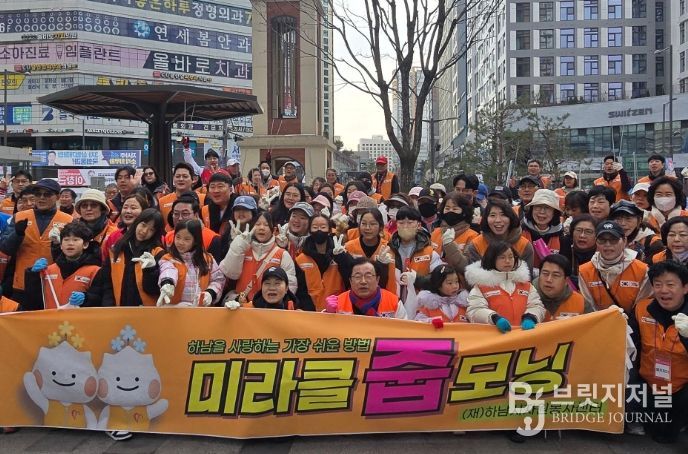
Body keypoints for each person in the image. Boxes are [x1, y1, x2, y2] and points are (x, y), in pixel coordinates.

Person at [628, 260, 688, 444]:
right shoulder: (641, 309)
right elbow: (628, 345)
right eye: (658, 284)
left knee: (669, 435)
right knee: (657, 431)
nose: (663, 290)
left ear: (685, 288)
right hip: (649, 384)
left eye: (670, 284)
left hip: (681, 388)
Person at [0, 179, 72, 304]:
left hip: (54, 284)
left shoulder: (68, 220)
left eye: (47, 194)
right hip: (22, 284)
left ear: (57, 197)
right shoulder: (20, 217)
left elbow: (73, 255)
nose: (42, 198)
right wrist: (17, 234)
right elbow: (5, 249)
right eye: (38, 194)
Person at [465, 241, 545, 332]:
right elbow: (474, 310)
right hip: (495, 337)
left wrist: (531, 317)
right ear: (492, 259)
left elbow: (537, 306)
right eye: (502, 257)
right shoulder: (481, 286)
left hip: (524, 336)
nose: (507, 261)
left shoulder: (525, 285)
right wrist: (494, 318)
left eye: (511, 257)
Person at [23, 222, 103, 310]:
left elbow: (100, 299)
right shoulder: (48, 270)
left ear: (85, 244)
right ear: (61, 245)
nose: (70, 243)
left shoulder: (95, 271)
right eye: (66, 240)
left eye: (75, 240)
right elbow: (33, 300)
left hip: (80, 318)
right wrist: (33, 275)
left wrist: (87, 298)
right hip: (50, 318)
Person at [220, 211, 297, 304]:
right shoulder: (243, 249)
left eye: (266, 225)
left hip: (268, 307)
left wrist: (275, 303)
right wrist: (238, 244)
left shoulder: (282, 254)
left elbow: (290, 285)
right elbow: (230, 273)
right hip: (241, 306)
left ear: (273, 229)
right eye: (257, 224)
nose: (261, 228)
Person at [578, 220, 652, 313]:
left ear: (624, 241)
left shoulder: (642, 270)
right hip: (597, 321)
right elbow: (588, 308)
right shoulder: (584, 271)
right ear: (596, 242)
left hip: (631, 321)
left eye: (613, 240)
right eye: (602, 240)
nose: (607, 245)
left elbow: (642, 307)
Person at [102, 209, 165, 307]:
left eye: (151, 230)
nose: (144, 231)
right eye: (143, 225)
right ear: (137, 222)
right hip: (118, 309)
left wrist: (150, 270)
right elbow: (106, 283)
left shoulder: (158, 253)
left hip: (146, 311)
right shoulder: (116, 248)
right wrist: (108, 307)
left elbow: (154, 290)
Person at [157, 219, 225, 307]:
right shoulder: (168, 259)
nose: (181, 242)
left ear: (196, 240)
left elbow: (218, 279)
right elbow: (168, 270)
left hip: (200, 310)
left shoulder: (208, 259)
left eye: (187, 239)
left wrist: (210, 293)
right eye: (178, 237)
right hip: (175, 309)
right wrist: (167, 282)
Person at [295, 213, 346, 311]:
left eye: (323, 227)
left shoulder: (339, 253)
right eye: (315, 227)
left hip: (337, 311)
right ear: (310, 230)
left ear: (329, 230)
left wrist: (343, 257)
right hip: (309, 313)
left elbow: (349, 277)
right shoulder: (300, 259)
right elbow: (299, 290)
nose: (319, 230)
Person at [464, 200, 534, 271]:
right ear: (486, 219)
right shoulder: (476, 245)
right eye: (492, 215)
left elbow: (527, 276)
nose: (498, 220)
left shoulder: (524, 245)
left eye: (503, 215)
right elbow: (474, 275)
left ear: (511, 217)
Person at [341, 208, 396, 294]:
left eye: (372, 224)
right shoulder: (349, 247)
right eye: (364, 223)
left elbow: (391, 280)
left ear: (381, 227)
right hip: (353, 296)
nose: (367, 228)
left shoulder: (387, 248)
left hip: (381, 296)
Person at [334, 257, 407, 319]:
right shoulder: (338, 303)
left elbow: (403, 329)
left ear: (377, 279)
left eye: (368, 276)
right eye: (357, 276)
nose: (363, 281)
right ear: (350, 281)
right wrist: (329, 312)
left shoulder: (394, 302)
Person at [389, 206, 443, 286]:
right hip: (393, 293)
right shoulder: (388, 249)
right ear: (396, 225)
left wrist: (417, 279)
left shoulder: (429, 252)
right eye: (401, 223)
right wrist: (381, 264)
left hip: (420, 293)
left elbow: (440, 277)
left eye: (410, 223)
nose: (405, 226)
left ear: (419, 225)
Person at [164, 193, 222, 263]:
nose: (180, 218)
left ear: (196, 215)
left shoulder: (212, 239)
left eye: (185, 214)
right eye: (176, 214)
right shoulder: (169, 236)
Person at [533, 254, 591, 321]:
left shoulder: (580, 303)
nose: (549, 280)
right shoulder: (528, 297)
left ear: (566, 280)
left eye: (555, 275)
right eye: (545, 273)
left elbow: (592, 326)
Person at [226, 266, 310, 311]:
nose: (272, 288)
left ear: (286, 288)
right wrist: (232, 314)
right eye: (267, 283)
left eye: (277, 283)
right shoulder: (248, 310)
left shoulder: (295, 313)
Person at [521, 189, 564, 270]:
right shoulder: (519, 231)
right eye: (538, 206)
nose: (542, 212)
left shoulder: (563, 236)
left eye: (547, 208)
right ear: (531, 209)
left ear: (554, 212)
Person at [101, 193, 149, 258]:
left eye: (133, 208)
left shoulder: (152, 235)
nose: (128, 211)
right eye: (125, 207)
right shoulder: (114, 236)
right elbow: (105, 260)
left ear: (144, 211)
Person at [159, 163, 206, 230]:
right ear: (173, 178)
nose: (181, 179)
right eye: (177, 176)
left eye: (185, 176)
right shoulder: (162, 201)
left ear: (193, 179)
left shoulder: (203, 199)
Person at [430, 192, 478, 256]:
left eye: (455, 209)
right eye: (447, 208)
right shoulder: (435, 233)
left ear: (464, 212)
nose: (450, 211)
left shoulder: (472, 236)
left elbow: (468, 260)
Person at [559, 214, 598, 288]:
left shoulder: (602, 254)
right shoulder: (563, 246)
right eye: (578, 230)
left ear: (596, 235)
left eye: (588, 232)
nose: (582, 235)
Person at [201, 172, 234, 236]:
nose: (216, 191)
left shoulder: (239, 208)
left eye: (220, 186)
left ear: (230, 190)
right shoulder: (204, 210)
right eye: (212, 187)